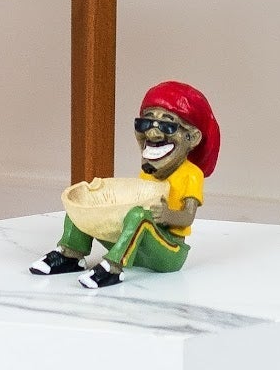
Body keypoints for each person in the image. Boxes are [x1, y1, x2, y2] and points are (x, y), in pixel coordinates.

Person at [30, 81, 220, 290]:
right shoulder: (148, 172)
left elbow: (187, 216)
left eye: (167, 125)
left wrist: (167, 216)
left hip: (170, 251)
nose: (153, 135)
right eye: (146, 124)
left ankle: (113, 267)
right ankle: (71, 253)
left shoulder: (190, 175)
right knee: (83, 206)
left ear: (191, 137)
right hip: (138, 247)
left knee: (139, 216)